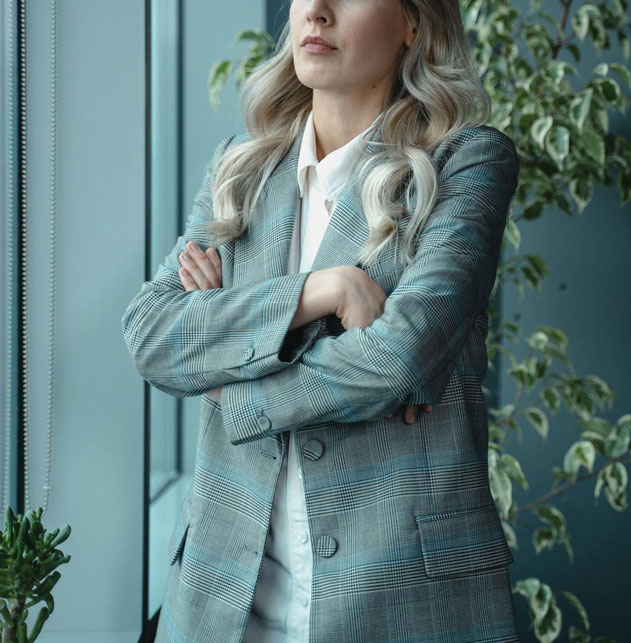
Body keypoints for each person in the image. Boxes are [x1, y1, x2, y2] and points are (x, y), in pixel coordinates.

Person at [122, 1, 521, 641]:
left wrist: (235, 379)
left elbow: (398, 357)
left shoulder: (466, 165)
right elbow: (152, 335)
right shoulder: (240, 170)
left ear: (414, 21)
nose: (317, 10)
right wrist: (318, 291)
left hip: (403, 601)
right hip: (223, 602)